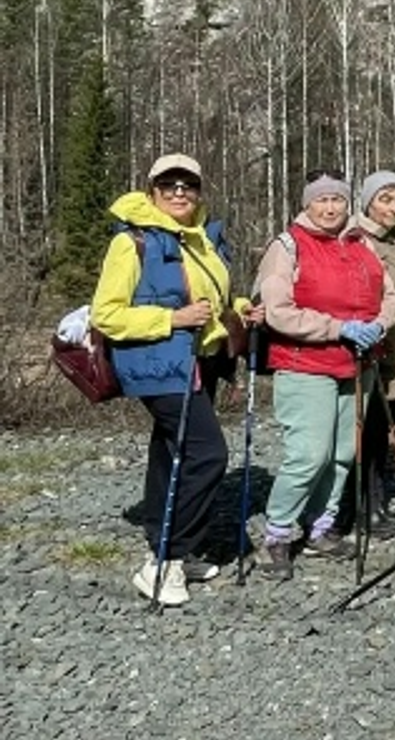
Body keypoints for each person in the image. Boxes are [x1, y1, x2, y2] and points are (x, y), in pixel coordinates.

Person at [90, 154, 264, 606]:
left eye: (188, 184)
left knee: (171, 452)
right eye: (169, 185)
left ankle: (167, 545)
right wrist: (173, 318)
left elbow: (216, 296)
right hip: (157, 362)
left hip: (197, 361)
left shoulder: (204, 239)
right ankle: (164, 560)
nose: (180, 192)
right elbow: (107, 315)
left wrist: (241, 307)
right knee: (208, 454)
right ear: (152, 191)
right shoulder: (132, 242)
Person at [257, 169, 395, 579]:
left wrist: (379, 325)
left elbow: (389, 296)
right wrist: (337, 328)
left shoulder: (361, 243)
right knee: (308, 455)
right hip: (305, 365)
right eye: (322, 200)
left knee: (342, 454)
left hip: (357, 362)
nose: (331, 207)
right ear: (307, 204)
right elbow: (279, 310)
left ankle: (321, 527)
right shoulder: (287, 246)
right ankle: (278, 533)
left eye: (337, 199)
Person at [343, 170, 395, 541]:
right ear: (368, 202)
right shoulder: (358, 238)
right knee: (365, 429)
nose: (393, 208)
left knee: (383, 428)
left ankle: (375, 500)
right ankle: (359, 504)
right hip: (372, 347)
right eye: (385, 199)